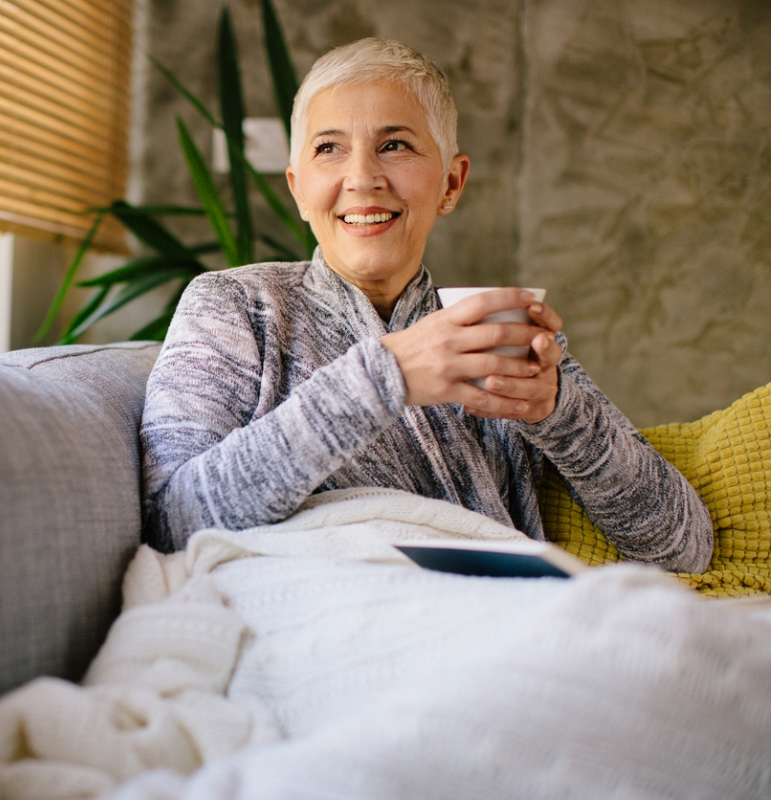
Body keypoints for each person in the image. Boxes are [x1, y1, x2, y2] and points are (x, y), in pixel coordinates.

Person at [139, 37, 713, 572]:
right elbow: (174, 523)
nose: (362, 178)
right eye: (329, 148)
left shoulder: (496, 334)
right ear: (299, 188)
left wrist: (560, 411)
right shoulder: (235, 307)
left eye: (395, 145)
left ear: (451, 184)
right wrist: (383, 377)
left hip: (499, 624)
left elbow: (682, 546)